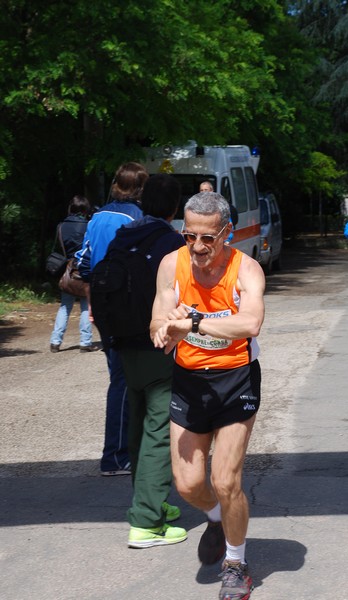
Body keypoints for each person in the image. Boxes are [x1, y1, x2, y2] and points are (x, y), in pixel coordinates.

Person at [151, 192, 265, 600]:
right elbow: (157, 321)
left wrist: (194, 322)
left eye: (208, 238)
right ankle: (216, 518)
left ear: (227, 234)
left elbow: (250, 322)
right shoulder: (171, 265)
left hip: (236, 379)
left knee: (225, 478)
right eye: (189, 236)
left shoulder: (246, 269)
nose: (197, 247)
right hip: (189, 381)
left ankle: (236, 563)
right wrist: (164, 330)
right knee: (188, 485)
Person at [106, 174, 188, 548]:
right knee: (159, 432)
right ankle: (147, 523)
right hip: (159, 344)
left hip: (123, 343)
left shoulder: (124, 236)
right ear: (175, 207)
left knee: (139, 428)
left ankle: (150, 502)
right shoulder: (172, 243)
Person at [76, 162, 148, 476]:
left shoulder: (97, 217)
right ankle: (116, 456)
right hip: (129, 307)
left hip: (104, 307)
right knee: (126, 380)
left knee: (120, 376)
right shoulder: (137, 219)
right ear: (140, 189)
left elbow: (83, 262)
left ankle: (124, 451)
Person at [50, 195, 94, 353]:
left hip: (67, 271)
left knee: (64, 307)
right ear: (85, 209)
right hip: (83, 268)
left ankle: (55, 341)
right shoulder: (89, 225)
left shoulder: (61, 226)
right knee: (85, 306)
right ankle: (85, 342)